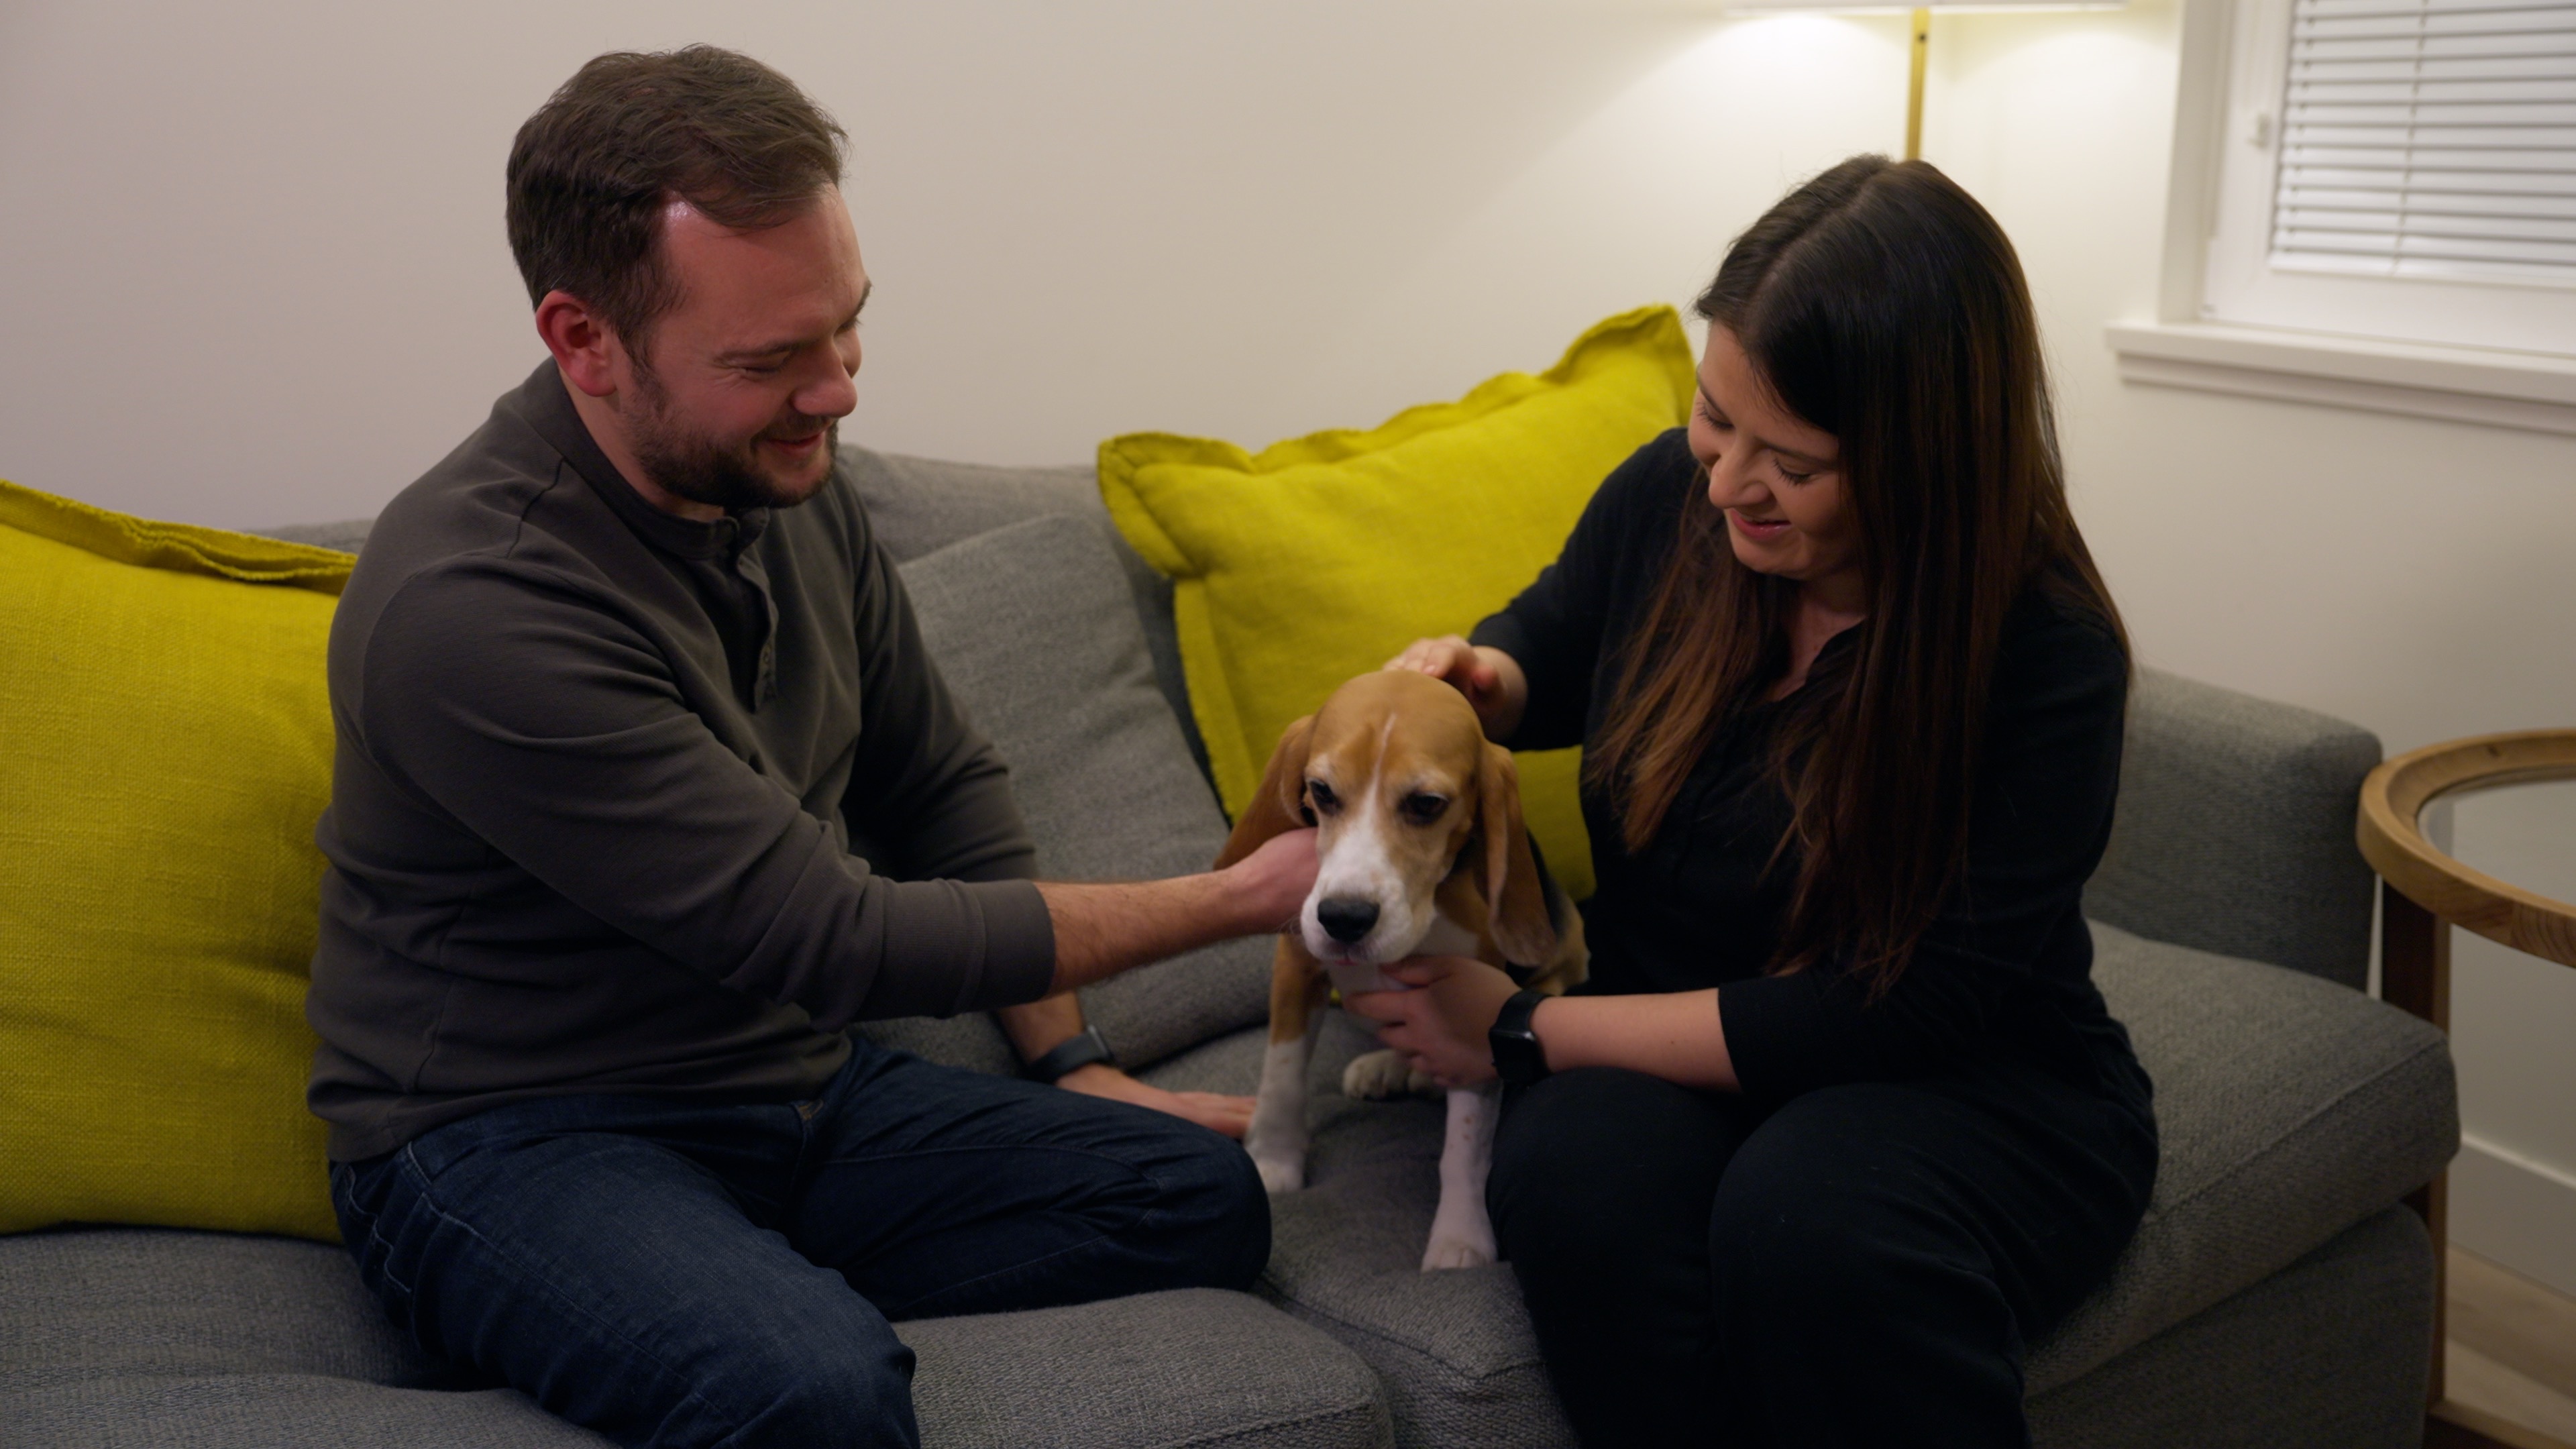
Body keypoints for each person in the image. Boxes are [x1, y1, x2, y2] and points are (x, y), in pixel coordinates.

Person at [304, 46, 1316, 1449]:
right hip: (517, 1135)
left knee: (1195, 1198)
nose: (836, 391)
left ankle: (710, 1293)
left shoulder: (784, 478)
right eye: (771, 360)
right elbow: (831, 942)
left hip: (791, 1093)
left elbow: (935, 777)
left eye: (847, 329)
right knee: (807, 1390)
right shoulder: (474, 608)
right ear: (583, 338)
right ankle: (675, 1305)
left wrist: (1070, 1058)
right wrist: (1248, 896)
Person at [1360, 156, 2159, 1447]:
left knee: (1810, 1221)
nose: (1728, 480)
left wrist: (1521, 1030)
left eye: (1792, 459)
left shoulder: (2040, 652)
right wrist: (1480, 675)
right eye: (1713, 416)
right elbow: (1554, 640)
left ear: (1924, 463)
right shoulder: (1674, 506)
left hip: (1963, 1072)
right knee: (1573, 1184)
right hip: (1671, 1043)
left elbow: (1898, 1010)